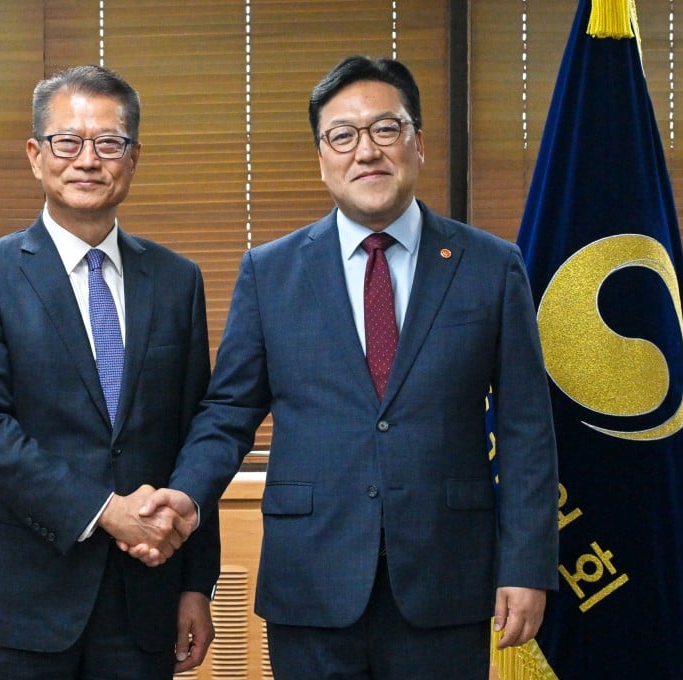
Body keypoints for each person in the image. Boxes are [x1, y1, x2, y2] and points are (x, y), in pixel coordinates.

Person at [135, 55, 559, 679]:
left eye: (385, 129)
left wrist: (526, 565)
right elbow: (229, 412)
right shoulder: (271, 272)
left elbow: (527, 428)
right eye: (343, 135)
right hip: (312, 579)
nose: (366, 151)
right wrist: (188, 495)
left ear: (418, 143)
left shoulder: (491, 267)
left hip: (447, 580)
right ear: (322, 157)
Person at [0, 65, 219, 679]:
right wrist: (106, 510)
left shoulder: (177, 281)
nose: (88, 160)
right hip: (16, 599)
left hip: (144, 597)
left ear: (133, 159)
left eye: (109, 143)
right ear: (36, 156)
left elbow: (194, 434)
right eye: (67, 142)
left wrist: (196, 584)